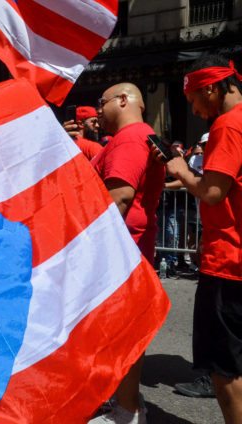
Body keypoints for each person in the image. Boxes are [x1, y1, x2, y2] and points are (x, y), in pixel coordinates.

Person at [158, 55, 242, 423]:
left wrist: (178, 169)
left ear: (211, 88)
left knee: (225, 367)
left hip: (228, 262)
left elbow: (212, 192)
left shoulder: (228, 125)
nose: (192, 108)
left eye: (192, 97)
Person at [89, 83, 166, 424]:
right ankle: (124, 402)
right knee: (117, 332)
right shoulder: (136, 136)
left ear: (123, 100)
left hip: (120, 251)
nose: (97, 112)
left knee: (123, 333)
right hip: (126, 249)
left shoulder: (131, 137)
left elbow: (118, 199)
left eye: (101, 103)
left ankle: (128, 410)